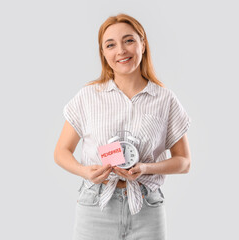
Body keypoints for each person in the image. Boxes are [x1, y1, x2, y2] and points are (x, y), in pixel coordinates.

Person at [54, 13, 192, 240]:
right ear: (103, 53)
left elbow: (184, 162)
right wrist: (84, 171)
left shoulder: (165, 99)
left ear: (143, 44)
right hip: (95, 207)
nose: (121, 51)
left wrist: (146, 168)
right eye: (110, 45)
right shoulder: (88, 96)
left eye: (129, 40)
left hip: (147, 208)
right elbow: (61, 152)